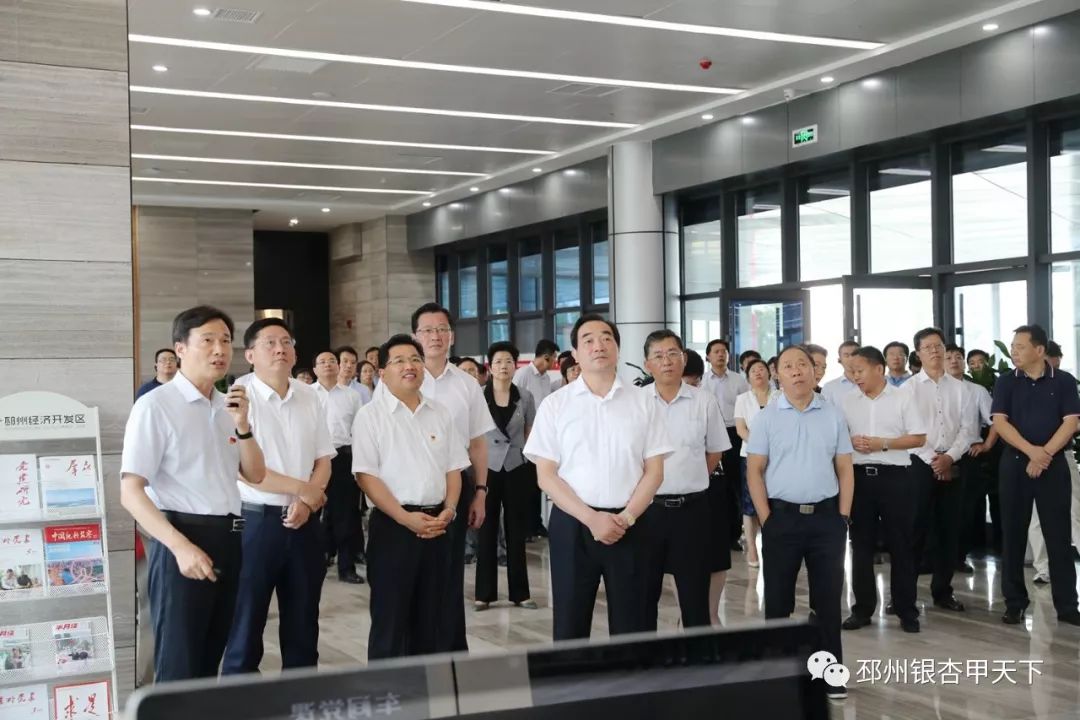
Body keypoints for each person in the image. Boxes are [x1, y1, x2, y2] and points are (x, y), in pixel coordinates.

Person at [120, 305, 266, 682]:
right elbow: (131, 491)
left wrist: (244, 426)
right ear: (180, 348)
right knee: (178, 664)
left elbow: (255, 473)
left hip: (230, 538)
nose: (219, 349)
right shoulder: (155, 405)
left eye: (226, 341)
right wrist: (178, 547)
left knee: (209, 657)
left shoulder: (227, 407)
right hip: (182, 540)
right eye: (208, 340)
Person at [524, 314, 672, 640]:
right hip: (573, 525)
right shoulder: (555, 405)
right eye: (588, 340)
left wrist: (627, 517)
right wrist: (592, 519)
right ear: (575, 353)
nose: (598, 345)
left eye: (606, 338)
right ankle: (574, 690)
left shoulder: (644, 403)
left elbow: (655, 471)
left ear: (617, 348)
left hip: (630, 524)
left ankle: (632, 688)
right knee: (570, 621)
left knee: (634, 623)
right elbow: (546, 476)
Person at [221, 319, 334, 674]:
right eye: (269, 342)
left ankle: (300, 701)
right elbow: (244, 469)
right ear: (251, 354)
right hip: (254, 522)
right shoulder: (237, 397)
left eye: (286, 341)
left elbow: (323, 458)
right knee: (246, 623)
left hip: (305, 522)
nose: (280, 348)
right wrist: (303, 490)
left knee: (303, 622)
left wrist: (306, 502)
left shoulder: (310, 396)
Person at [745, 345, 854, 702]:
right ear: (777, 373)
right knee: (777, 602)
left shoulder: (833, 414)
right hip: (782, 520)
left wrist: (843, 517)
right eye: (788, 366)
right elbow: (755, 471)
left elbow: (844, 468)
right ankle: (778, 675)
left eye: (803, 365)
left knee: (827, 601)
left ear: (814, 371)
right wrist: (766, 520)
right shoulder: (767, 416)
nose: (796, 371)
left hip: (826, 520)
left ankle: (830, 674)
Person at [353, 335, 470, 658]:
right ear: (382, 372)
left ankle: (429, 698)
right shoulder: (370, 416)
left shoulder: (439, 413)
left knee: (434, 621)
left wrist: (449, 509)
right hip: (393, 528)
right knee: (390, 622)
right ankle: (388, 701)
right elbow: (366, 476)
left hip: (438, 526)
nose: (410, 366)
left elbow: (453, 469)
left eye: (415, 359)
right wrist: (405, 518)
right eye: (400, 360)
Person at [412, 302, 495, 652]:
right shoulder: (396, 381)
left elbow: (477, 443)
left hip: (457, 486)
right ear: (415, 336)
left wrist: (480, 492)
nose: (435, 336)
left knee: (449, 575)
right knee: (412, 577)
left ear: (452, 335)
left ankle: (450, 655)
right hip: (410, 488)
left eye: (441, 329)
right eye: (428, 330)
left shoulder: (466, 384)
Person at [991, 324, 1080, 625]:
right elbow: (1000, 423)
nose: (1014, 351)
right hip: (1015, 464)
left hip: (1052, 466)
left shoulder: (1064, 381)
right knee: (1013, 535)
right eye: (1012, 346)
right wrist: (1032, 452)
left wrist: (1043, 457)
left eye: (1020, 346)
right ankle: (1014, 603)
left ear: (1039, 350)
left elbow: (1071, 423)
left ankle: (1067, 606)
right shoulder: (1005, 382)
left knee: (1058, 536)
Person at [643, 330, 729, 629]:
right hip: (647, 511)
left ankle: (698, 665)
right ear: (647, 364)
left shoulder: (703, 401)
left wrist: (691, 477)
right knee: (643, 594)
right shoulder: (636, 403)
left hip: (693, 511)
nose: (667, 361)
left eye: (673, 353)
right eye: (659, 355)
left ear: (683, 358)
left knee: (695, 596)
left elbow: (715, 450)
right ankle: (646, 667)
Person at [838, 347, 926, 634]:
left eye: (860, 370)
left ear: (879, 369)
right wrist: (850, 442)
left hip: (895, 478)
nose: (855, 376)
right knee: (859, 546)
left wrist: (882, 444)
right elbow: (837, 438)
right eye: (851, 371)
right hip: (858, 479)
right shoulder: (847, 401)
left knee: (901, 545)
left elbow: (918, 437)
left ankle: (906, 610)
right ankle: (862, 609)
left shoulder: (903, 397)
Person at [904, 327, 975, 614]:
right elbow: (906, 430)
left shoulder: (961, 388)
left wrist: (950, 457)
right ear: (918, 354)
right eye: (928, 347)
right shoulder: (907, 389)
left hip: (954, 463)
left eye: (939, 346)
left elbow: (969, 429)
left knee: (949, 529)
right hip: (919, 465)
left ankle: (943, 590)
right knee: (914, 531)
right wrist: (934, 458)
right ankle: (903, 595)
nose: (935, 351)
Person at [475, 341, 537, 610]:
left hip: (515, 468)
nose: (504, 366)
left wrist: (527, 459)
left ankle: (520, 594)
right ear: (490, 365)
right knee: (486, 530)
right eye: (498, 361)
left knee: (516, 531)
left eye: (509, 361)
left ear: (516, 365)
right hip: (486, 469)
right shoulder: (478, 395)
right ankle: (484, 594)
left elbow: (530, 431)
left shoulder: (525, 396)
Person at [1027, 340, 1080, 584]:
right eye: (1051, 364)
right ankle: (1043, 568)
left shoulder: (1065, 383)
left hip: (1061, 456)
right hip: (1029, 459)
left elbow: (1074, 423)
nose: (1053, 369)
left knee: (1075, 509)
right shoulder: (1019, 384)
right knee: (1036, 517)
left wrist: (1047, 452)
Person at [312, 350, 365, 584]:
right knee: (312, 511)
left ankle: (347, 567)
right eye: (322, 362)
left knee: (346, 515)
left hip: (343, 459)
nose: (328, 365)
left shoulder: (351, 396)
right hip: (313, 461)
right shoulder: (306, 395)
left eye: (332, 361)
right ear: (314, 369)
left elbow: (359, 430)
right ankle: (313, 561)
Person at [946, 344, 998, 573]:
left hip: (967, 456)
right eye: (949, 357)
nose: (954, 361)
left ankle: (958, 557)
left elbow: (996, 421)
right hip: (937, 456)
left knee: (965, 510)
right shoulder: (933, 390)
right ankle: (934, 557)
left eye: (958, 357)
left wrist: (987, 444)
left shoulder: (977, 390)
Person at [702, 339, 750, 551]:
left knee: (735, 486)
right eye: (717, 351)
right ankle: (714, 532)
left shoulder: (739, 381)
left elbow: (747, 408)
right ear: (708, 357)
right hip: (710, 435)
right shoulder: (702, 382)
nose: (721, 355)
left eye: (724, 352)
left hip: (734, 433)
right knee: (713, 485)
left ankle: (734, 534)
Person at [734, 358, 779, 569]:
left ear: (769, 373)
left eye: (762, 369)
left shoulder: (780, 395)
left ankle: (771, 545)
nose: (758, 373)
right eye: (754, 371)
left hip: (778, 455)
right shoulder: (742, 399)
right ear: (748, 376)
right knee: (750, 502)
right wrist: (760, 445)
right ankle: (752, 547)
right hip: (750, 454)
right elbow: (741, 429)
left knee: (773, 500)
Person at [821, 341, 860, 405]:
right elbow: (825, 413)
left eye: (854, 355)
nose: (851, 359)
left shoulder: (872, 383)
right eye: (846, 355)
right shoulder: (830, 387)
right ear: (840, 359)